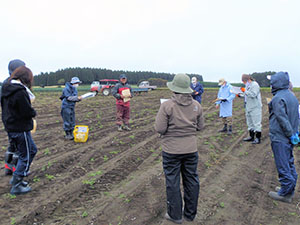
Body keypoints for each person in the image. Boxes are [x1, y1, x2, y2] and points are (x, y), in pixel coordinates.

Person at [155, 73, 204, 224]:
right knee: (191, 180)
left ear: (174, 88)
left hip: (171, 151)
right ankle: (190, 214)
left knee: (173, 181)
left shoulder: (167, 106)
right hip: (191, 149)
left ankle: (175, 215)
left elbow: (160, 128)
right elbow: (201, 127)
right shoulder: (197, 105)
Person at [1, 66, 37, 195]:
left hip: (11, 127)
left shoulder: (5, 88)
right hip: (20, 128)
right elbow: (26, 111)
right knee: (25, 155)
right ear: (25, 78)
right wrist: (33, 113)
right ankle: (17, 184)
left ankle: (17, 177)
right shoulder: (20, 91)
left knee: (32, 150)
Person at [268, 72, 299, 203]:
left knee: (282, 164)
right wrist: (295, 134)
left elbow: (282, 119)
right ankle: (288, 188)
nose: (270, 85)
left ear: (277, 83)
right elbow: (296, 117)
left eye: (272, 82)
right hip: (289, 137)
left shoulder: (277, 99)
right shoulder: (292, 97)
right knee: (289, 162)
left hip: (280, 137)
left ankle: (286, 193)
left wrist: (290, 133)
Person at [2, 59, 26, 175]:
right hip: (17, 121)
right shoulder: (16, 85)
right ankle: (16, 169)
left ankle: (8, 167)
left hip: (7, 120)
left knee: (12, 144)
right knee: (20, 147)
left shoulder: (5, 84)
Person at [241, 74, 262, 144]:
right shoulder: (248, 85)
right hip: (248, 106)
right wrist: (240, 94)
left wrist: (245, 91)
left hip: (255, 107)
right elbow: (246, 94)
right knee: (249, 123)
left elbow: (253, 94)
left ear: (248, 80)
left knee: (256, 123)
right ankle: (251, 136)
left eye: (244, 81)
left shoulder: (255, 85)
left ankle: (258, 138)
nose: (244, 83)